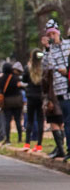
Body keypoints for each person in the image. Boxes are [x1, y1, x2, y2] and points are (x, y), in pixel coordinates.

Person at [42, 19, 70, 158]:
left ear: (58, 32)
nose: (52, 36)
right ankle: (65, 148)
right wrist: (47, 49)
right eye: (49, 34)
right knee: (66, 120)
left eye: (54, 33)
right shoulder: (49, 51)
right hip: (59, 90)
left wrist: (66, 70)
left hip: (68, 85)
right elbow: (46, 67)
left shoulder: (68, 45)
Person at [21, 49, 45, 152]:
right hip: (41, 97)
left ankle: (27, 143)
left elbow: (24, 80)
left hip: (30, 96)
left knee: (29, 120)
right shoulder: (43, 68)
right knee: (40, 120)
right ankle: (39, 145)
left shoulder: (27, 68)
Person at [0, 62, 23, 145]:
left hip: (7, 102)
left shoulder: (0, 79)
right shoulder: (15, 78)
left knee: (7, 121)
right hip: (17, 101)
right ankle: (20, 138)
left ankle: (8, 139)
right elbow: (20, 87)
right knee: (18, 120)